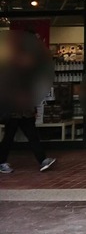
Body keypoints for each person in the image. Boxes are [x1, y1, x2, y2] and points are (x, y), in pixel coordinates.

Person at [0, 30, 56, 174]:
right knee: (10, 136)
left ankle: (42, 160)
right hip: (14, 108)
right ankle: (2, 162)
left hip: (24, 108)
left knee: (31, 135)